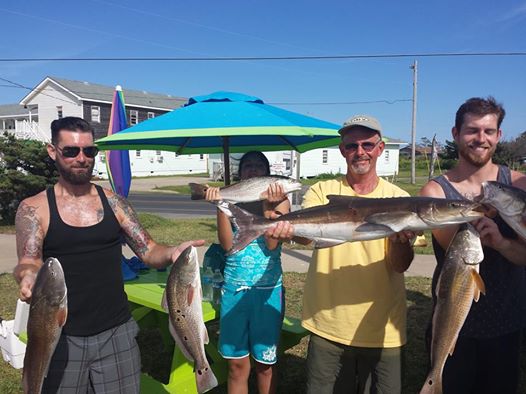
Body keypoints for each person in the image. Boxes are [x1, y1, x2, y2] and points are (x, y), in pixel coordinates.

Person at [13, 116, 204, 393]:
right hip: (61, 336)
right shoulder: (35, 208)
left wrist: (173, 252)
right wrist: (28, 276)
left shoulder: (114, 202)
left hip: (116, 330)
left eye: (89, 151)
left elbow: (148, 249)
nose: (82, 158)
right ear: (52, 151)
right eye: (71, 151)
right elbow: (29, 260)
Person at [266, 115, 418, 393]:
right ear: (342, 150)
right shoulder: (323, 191)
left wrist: (400, 242)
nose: (360, 152)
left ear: (381, 148)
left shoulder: (399, 199)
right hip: (329, 323)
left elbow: (400, 265)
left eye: (368, 145)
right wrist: (283, 222)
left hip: (383, 327)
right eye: (351, 146)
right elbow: (303, 236)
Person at [420, 97, 526, 393]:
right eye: (472, 131)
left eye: (489, 131)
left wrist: (503, 242)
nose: (481, 139)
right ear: (456, 133)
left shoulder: (518, 185)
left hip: (507, 322)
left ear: (498, 136)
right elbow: (456, 246)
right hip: (454, 327)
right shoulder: (436, 192)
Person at [204, 151, 289, 394]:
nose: (253, 169)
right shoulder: (231, 199)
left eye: (258, 165)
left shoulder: (281, 201)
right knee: (237, 365)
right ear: (241, 174)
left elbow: (272, 245)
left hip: (268, 291)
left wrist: (268, 205)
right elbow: (227, 246)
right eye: (247, 166)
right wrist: (222, 203)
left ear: (266, 173)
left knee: (265, 365)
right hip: (234, 289)